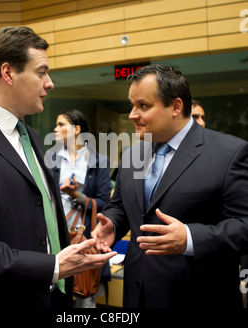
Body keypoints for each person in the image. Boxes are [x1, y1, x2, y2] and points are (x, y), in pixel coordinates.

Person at [0, 26, 116, 309]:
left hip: (52, 297)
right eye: (41, 72)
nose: (49, 83)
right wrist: (50, 266)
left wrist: (67, 255)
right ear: (8, 73)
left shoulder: (34, 138)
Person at [92, 64, 248, 308]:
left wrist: (189, 238)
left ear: (176, 106)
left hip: (196, 297)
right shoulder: (132, 155)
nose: (133, 114)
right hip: (136, 294)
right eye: (132, 105)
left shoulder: (230, 154)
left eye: (143, 106)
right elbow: (120, 206)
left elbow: (244, 225)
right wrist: (112, 224)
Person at [50, 110, 112, 308]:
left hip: (83, 239)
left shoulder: (98, 161)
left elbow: (104, 204)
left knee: (85, 299)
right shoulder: (51, 160)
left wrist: (77, 196)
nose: (55, 128)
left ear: (77, 130)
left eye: (61, 124)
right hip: (56, 238)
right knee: (56, 296)